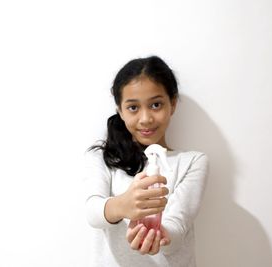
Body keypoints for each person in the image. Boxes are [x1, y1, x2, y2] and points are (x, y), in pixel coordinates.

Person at [83, 55, 209, 267]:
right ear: (120, 110)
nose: (145, 119)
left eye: (156, 105)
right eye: (133, 107)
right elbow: (93, 212)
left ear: (173, 103)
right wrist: (124, 205)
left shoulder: (192, 161)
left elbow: (178, 226)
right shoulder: (103, 158)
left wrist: (160, 236)